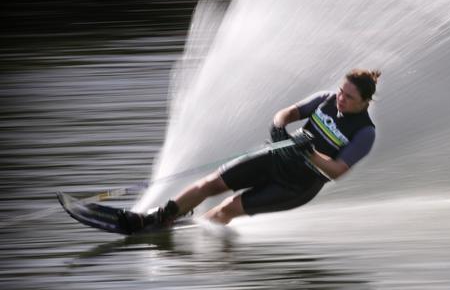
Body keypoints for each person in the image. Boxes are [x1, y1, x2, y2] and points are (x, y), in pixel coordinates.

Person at [124, 68, 381, 233]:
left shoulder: (365, 132)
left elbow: (337, 171)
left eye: (349, 97)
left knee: (229, 208)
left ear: (365, 102)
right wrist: (279, 126)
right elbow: (288, 112)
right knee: (211, 183)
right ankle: (160, 217)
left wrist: (311, 153)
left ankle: (195, 233)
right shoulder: (325, 99)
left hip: (297, 185)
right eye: (341, 91)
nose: (340, 98)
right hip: (275, 157)